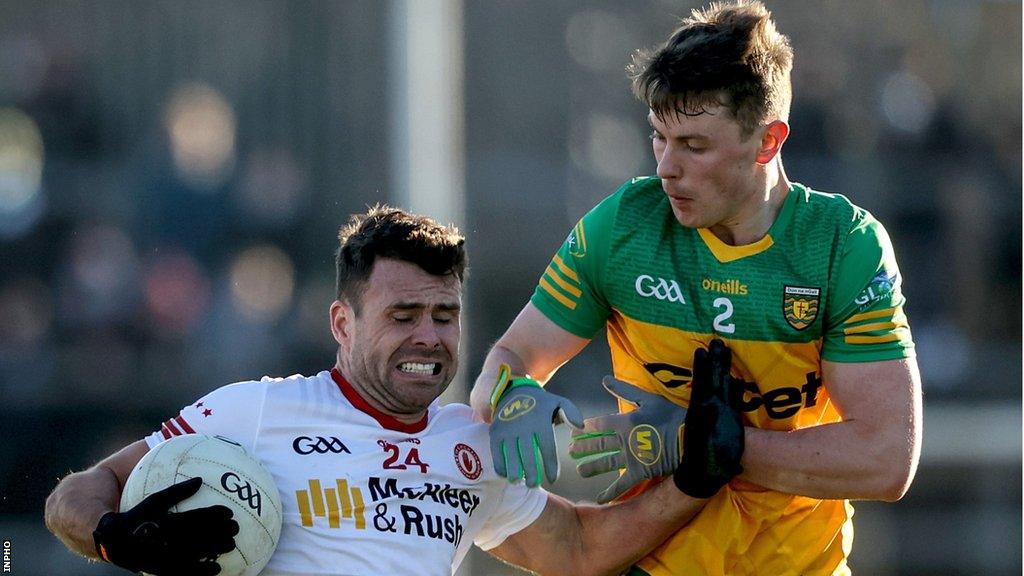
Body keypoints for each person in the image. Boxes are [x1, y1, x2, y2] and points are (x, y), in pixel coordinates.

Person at [469, 2, 923, 575]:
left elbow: (886, 460)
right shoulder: (623, 228)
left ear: (768, 141)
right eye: (659, 137)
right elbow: (511, 358)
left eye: (694, 145)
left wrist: (699, 444)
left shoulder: (842, 247)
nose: (665, 166)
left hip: (801, 565)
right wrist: (509, 395)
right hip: (654, 562)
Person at [44, 205, 733, 576]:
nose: (429, 338)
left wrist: (696, 481)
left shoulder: (473, 443)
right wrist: (113, 539)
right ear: (343, 323)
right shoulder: (254, 411)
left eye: (445, 315)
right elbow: (73, 495)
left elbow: (579, 551)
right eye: (402, 317)